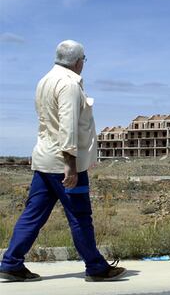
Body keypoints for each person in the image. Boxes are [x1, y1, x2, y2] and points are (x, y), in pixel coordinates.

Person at [0, 40, 126, 282]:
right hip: (64, 165)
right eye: (84, 60)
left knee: (33, 214)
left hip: (44, 161)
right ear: (78, 61)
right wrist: (70, 165)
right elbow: (67, 127)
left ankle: (11, 263)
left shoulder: (44, 80)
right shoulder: (69, 84)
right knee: (80, 216)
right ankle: (97, 268)